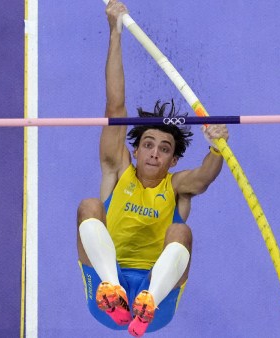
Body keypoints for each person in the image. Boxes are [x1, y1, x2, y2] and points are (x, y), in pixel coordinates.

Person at [76, 0, 229, 336]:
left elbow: (204, 177)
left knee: (182, 234)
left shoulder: (177, 187)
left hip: (157, 302)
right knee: (89, 207)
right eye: (148, 145)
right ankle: (113, 291)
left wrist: (217, 145)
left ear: (174, 160)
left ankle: (147, 301)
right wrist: (114, 31)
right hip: (106, 288)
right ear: (135, 149)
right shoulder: (117, 171)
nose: (154, 154)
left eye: (164, 149)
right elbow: (115, 104)